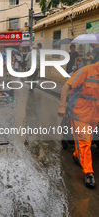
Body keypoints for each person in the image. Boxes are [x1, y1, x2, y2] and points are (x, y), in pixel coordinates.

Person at [58, 61, 99, 189]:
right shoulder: (86, 70)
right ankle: (88, 173)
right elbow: (66, 86)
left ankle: (77, 155)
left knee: (88, 140)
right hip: (79, 113)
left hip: (94, 115)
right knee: (85, 142)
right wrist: (62, 106)